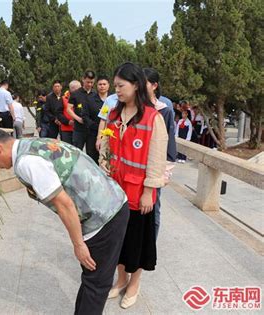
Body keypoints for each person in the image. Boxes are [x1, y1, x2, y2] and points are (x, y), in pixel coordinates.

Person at [0, 127, 129, 315]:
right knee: (93, 281)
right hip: (111, 201)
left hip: (104, 216)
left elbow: (65, 205)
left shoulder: (27, 162)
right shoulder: (33, 144)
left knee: (97, 285)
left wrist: (78, 244)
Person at [105, 63, 167, 309]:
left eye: (121, 86)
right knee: (118, 239)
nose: (116, 90)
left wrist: (149, 191)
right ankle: (121, 279)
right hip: (115, 190)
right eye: (115, 86)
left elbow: (156, 158)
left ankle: (134, 283)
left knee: (137, 242)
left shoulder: (153, 118)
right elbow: (107, 147)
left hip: (139, 192)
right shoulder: (113, 115)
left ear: (136, 85)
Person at [143, 67, 177, 240]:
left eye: (144, 83)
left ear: (154, 85)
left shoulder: (164, 110)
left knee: (153, 209)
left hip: (154, 170)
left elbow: (169, 147)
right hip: (133, 169)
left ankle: (150, 245)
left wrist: (163, 175)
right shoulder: (131, 107)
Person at [82, 76, 109, 164]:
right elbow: (85, 116)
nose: (102, 86)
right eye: (100, 84)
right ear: (96, 86)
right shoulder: (90, 99)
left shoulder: (113, 99)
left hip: (110, 134)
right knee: (92, 159)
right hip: (92, 134)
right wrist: (97, 127)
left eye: (104, 84)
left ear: (108, 85)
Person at [68, 70, 96, 150]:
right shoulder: (75, 94)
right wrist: (78, 119)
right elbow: (68, 109)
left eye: (92, 82)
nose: (90, 84)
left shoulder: (95, 94)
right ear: (83, 79)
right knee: (76, 151)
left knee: (92, 153)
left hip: (91, 130)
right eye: (88, 82)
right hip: (79, 129)